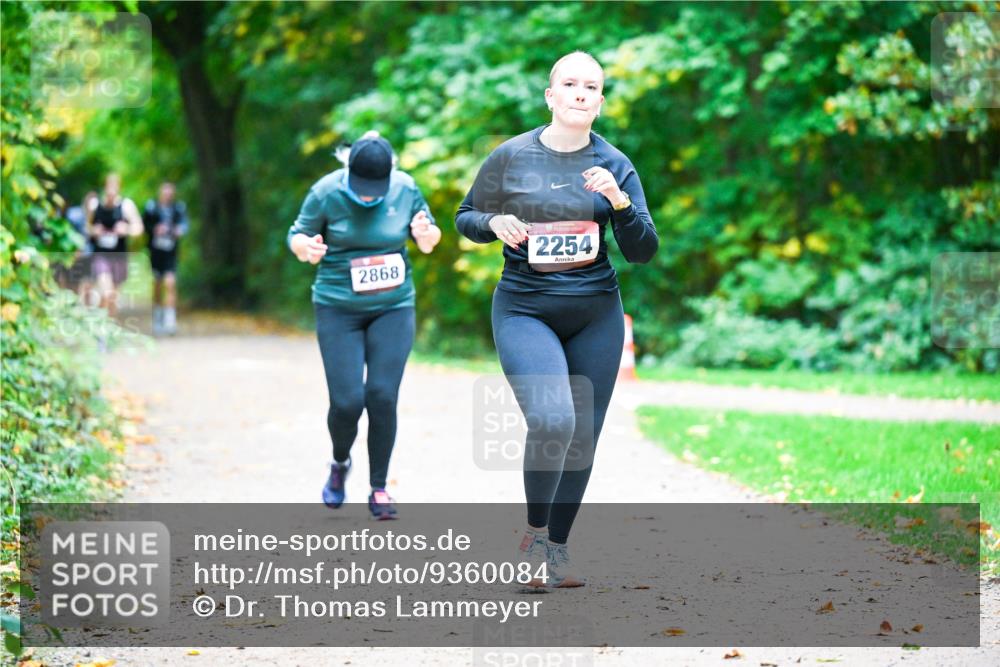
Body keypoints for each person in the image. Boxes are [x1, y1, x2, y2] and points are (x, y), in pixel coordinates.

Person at [456, 52, 658, 586]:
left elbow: (642, 251)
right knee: (553, 422)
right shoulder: (511, 157)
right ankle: (533, 537)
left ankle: (557, 553)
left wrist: (619, 203)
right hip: (525, 307)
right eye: (569, 84)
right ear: (550, 95)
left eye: (590, 86)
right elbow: (465, 217)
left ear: (600, 101)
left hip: (596, 314)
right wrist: (494, 220)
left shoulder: (615, 164)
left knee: (583, 436)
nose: (579, 93)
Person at [287, 130, 441, 520]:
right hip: (338, 308)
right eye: (362, 187)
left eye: (376, 188)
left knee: (383, 396)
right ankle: (339, 463)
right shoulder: (326, 192)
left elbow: (429, 238)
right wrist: (305, 247)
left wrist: (427, 235)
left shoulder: (406, 188)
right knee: (347, 402)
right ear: (346, 169)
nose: (369, 196)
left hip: (393, 306)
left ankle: (379, 488)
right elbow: (297, 234)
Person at [86, 174, 143, 319]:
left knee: (113, 297)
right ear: (104, 187)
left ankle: (109, 330)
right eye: (108, 186)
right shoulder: (95, 205)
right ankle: (101, 334)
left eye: (114, 186)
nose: (111, 190)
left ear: (119, 187)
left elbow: (139, 228)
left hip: (119, 256)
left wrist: (126, 229)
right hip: (100, 255)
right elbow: (86, 227)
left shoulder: (126, 205)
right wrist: (95, 231)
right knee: (106, 292)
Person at [143, 182, 189, 335]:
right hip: (156, 253)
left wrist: (178, 230)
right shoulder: (152, 207)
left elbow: (184, 225)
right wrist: (155, 229)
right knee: (157, 284)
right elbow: (144, 225)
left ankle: (170, 321)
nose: (168, 196)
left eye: (170, 193)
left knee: (170, 283)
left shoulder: (178, 208)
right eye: (165, 193)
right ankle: (157, 318)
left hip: (171, 252)